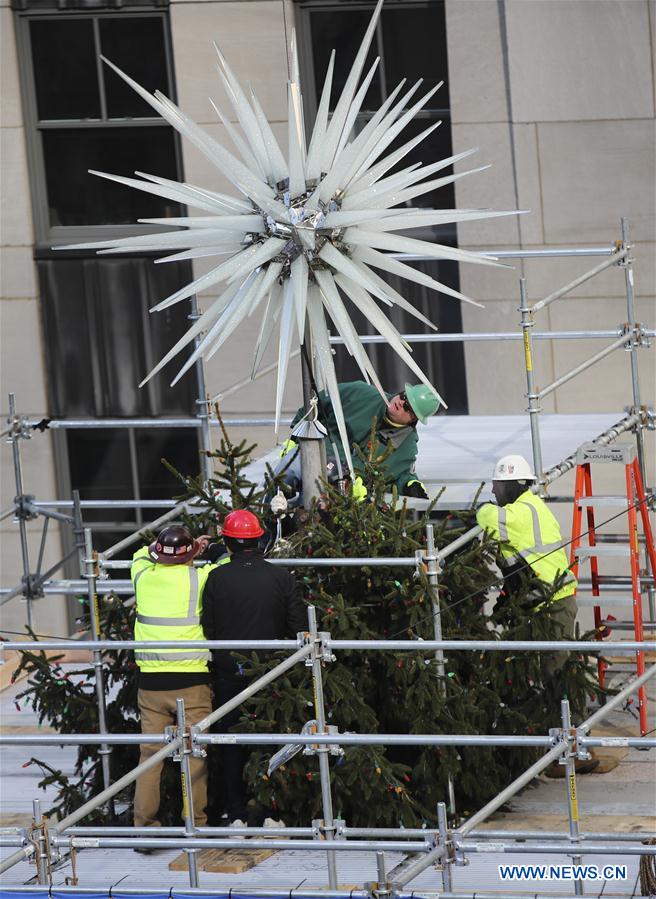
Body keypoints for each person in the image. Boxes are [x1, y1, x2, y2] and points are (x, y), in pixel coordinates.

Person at [200, 509, 308, 827]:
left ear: (227, 542)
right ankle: (269, 809)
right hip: (271, 674)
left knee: (232, 744)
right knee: (270, 740)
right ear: (260, 539)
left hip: (229, 673)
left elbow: (210, 628)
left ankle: (236, 812)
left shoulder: (216, 578)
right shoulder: (281, 577)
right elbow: (298, 626)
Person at [131, 524, 221, 847]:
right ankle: (195, 826)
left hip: (151, 684)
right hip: (192, 681)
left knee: (150, 756)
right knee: (194, 753)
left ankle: (144, 829)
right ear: (190, 557)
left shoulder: (142, 575)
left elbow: (140, 554)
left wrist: (172, 550)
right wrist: (201, 548)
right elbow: (226, 563)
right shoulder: (199, 578)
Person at [476, 454, 578, 662]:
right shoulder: (530, 506)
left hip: (552, 605)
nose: (494, 491)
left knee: (554, 672)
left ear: (514, 485)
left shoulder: (521, 512)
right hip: (542, 601)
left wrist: (481, 508)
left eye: (498, 485)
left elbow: (489, 518)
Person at [279, 380, 440, 499]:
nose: (401, 402)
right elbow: (315, 404)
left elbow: (397, 474)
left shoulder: (405, 445)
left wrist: (409, 484)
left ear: (413, 419)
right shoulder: (360, 393)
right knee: (282, 479)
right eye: (404, 396)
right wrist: (295, 437)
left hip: (346, 490)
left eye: (408, 407)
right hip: (315, 454)